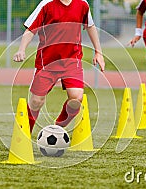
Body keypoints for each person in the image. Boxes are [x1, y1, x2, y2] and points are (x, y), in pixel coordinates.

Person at [13, 0, 105, 132]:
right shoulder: (46, 4)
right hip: (47, 62)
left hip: (72, 60)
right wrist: (21, 49)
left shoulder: (82, 4)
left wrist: (98, 52)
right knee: (36, 102)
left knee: (77, 97)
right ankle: (24, 136)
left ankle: (57, 128)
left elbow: (90, 26)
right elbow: (30, 30)